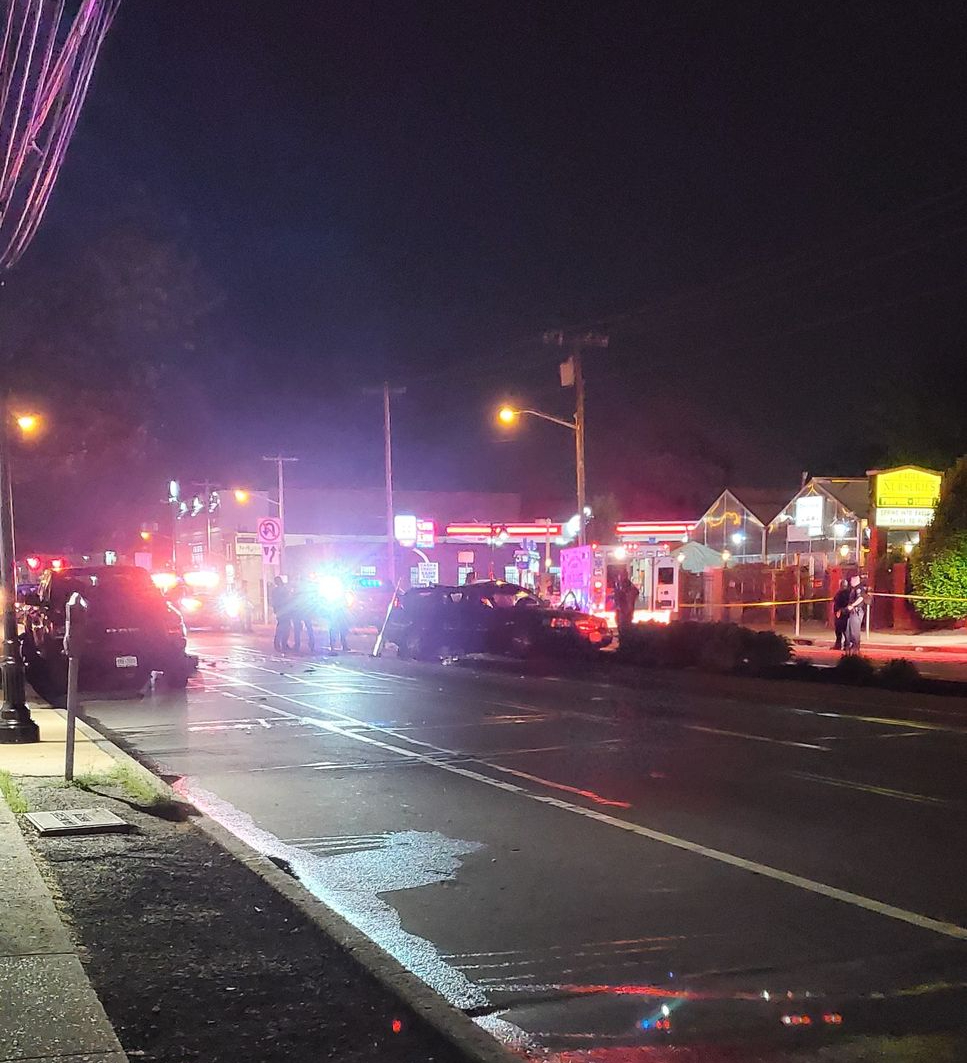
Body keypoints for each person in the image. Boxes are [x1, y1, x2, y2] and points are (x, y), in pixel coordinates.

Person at [291, 575, 316, 654]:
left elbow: (293, 600)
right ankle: (311, 643)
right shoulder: (308, 590)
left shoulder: (297, 588)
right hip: (306, 611)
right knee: (309, 628)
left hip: (298, 611)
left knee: (297, 629)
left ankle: (297, 645)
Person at [271, 575, 293, 653]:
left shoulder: (276, 591)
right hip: (283, 611)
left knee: (283, 627)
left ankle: (280, 643)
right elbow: (288, 599)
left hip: (282, 611)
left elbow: (274, 602)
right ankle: (281, 643)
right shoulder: (282, 590)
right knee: (283, 627)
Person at [844, 574, 865, 655]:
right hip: (851, 612)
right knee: (848, 631)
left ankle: (856, 649)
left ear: (856, 580)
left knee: (854, 631)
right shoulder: (853, 589)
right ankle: (850, 648)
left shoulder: (859, 588)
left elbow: (861, 598)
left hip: (856, 612)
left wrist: (853, 605)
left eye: (852, 580)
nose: (851, 582)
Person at [613, 572, 639, 636]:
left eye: (621, 576)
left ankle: (624, 636)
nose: (620, 577)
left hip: (625, 609)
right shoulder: (619, 584)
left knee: (625, 623)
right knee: (620, 622)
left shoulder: (627, 585)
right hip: (622, 609)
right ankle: (622, 634)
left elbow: (635, 592)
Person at [832, 578, 850, 651]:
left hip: (843, 613)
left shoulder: (845, 593)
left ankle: (844, 645)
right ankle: (841, 645)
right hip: (841, 612)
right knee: (840, 630)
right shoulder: (840, 593)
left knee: (843, 630)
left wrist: (839, 611)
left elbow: (838, 602)